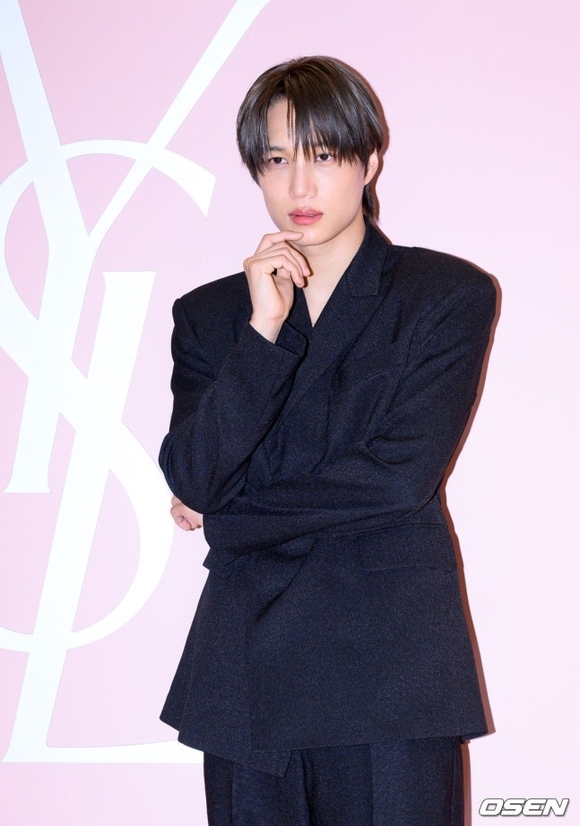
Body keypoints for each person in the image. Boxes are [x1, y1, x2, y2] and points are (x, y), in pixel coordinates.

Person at [159, 56, 496, 826]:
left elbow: (395, 478)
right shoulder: (212, 316)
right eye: (278, 160)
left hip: (389, 666)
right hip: (246, 671)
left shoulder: (444, 296)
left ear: (369, 162)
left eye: (324, 155)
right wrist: (263, 331)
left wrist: (229, 517)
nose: (300, 186)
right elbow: (193, 473)